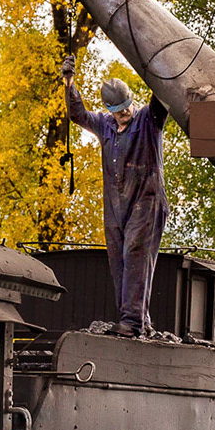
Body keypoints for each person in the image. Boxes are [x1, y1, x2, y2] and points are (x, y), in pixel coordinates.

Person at [62, 53, 169, 336]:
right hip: (115, 205)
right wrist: (69, 82)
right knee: (118, 261)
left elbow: (162, 96)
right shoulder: (104, 125)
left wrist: (157, 64)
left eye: (127, 108)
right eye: (119, 111)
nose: (125, 114)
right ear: (110, 110)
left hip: (147, 199)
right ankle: (136, 320)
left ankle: (132, 324)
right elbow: (77, 115)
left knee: (136, 254)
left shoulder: (148, 118)